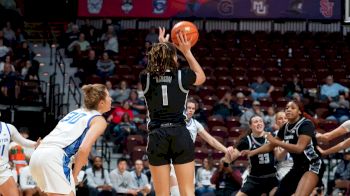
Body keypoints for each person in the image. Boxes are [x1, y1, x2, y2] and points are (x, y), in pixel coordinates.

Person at [139, 27, 206, 196]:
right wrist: (187, 51)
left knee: (162, 194)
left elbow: (158, 63)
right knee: (188, 192)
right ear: (174, 58)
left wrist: (163, 45)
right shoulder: (182, 76)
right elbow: (201, 76)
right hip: (179, 134)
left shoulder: (145, 78)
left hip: (157, 134)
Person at [29, 84, 112, 196]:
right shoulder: (99, 120)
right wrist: (74, 175)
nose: (111, 99)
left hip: (38, 155)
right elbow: (84, 149)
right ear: (101, 102)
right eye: (108, 96)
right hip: (55, 158)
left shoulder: (75, 112)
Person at [242, 100, 324, 196]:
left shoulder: (306, 124)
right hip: (297, 167)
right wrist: (253, 152)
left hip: (312, 164)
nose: (288, 110)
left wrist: (276, 141)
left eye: (292, 108)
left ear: (299, 112)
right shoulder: (285, 127)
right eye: (287, 108)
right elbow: (270, 146)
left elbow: (299, 148)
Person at [169, 100, 232, 195]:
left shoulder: (195, 124)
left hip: (188, 161)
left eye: (193, 108)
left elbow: (211, 140)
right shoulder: (175, 121)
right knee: (175, 193)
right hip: (173, 159)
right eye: (188, 108)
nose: (190, 110)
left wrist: (225, 150)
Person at [228, 115, 279, 196]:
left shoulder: (271, 135)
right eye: (256, 122)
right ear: (250, 126)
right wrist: (229, 150)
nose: (259, 123)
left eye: (260, 121)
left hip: (271, 178)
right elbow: (231, 157)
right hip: (254, 179)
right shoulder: (246, 140)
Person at [0, 121, 40, 196]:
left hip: (4, 172)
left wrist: (35, 144)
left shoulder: (8, 128)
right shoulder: (12, 145)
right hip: (15, 168)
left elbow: (23, 141)